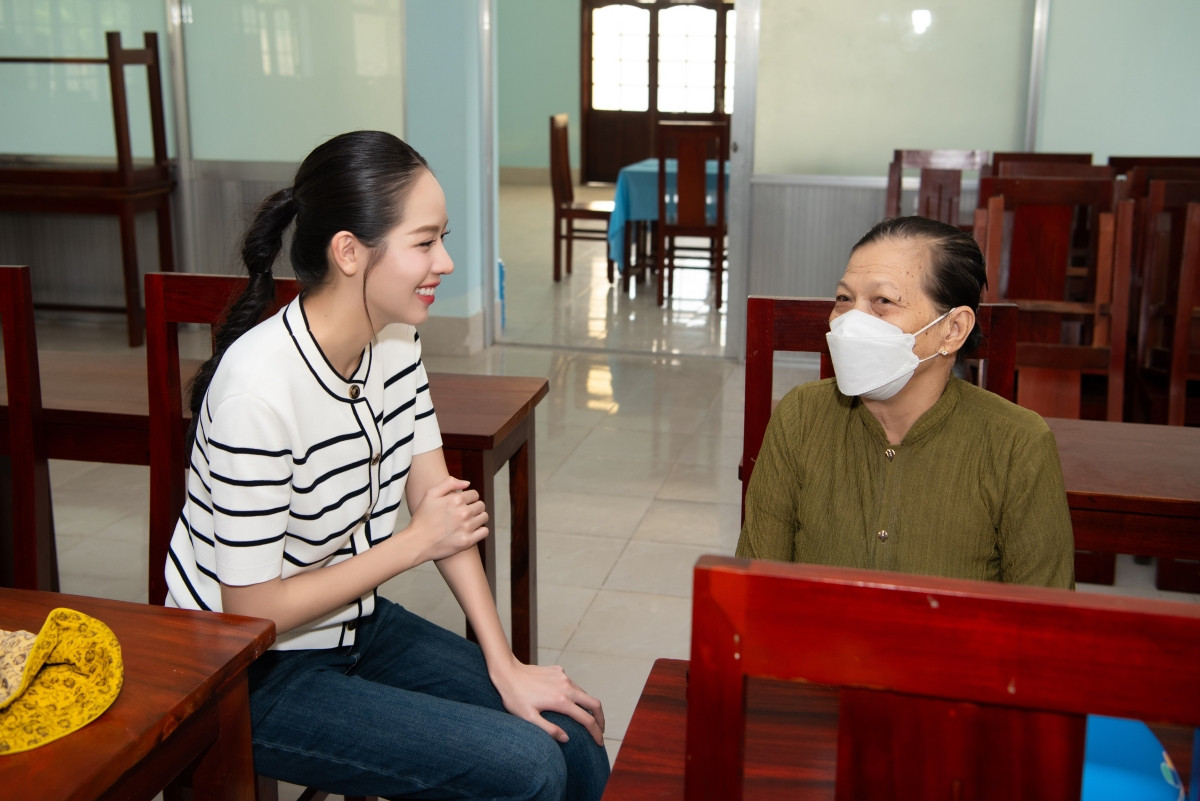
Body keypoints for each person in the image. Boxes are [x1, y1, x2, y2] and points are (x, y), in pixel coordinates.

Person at [164, 131, 610, 800]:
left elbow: (440, 508)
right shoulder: (256, 391)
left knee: (571, 737)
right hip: (243, 669)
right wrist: (410, 545)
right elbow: (251, 607)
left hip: (352, 623)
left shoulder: (396, 341)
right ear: (349, 252)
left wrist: (505, 662)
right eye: (425, 242)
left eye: (442, 239)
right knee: (527, 766)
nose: (446, 262)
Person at [737, 215, 1074, 588]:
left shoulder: (1017, 444)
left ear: (953, 329)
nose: (851, 322)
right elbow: (755, 589)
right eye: (844, 299)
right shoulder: (801, 416)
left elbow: (1045, 612)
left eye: (883, 301)